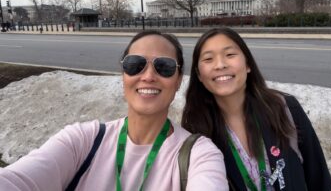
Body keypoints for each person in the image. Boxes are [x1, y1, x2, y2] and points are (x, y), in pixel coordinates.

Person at [0, 30, 228, 190]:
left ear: (178, 80)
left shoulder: (199, 155)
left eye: (164, 67)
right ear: (123, 75)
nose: (148, 76)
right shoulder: (83, 141)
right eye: (135, 65)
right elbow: (17, 181)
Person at [182, 27, 331, 191]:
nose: (220, 65)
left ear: (248, 64)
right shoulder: (195, 130)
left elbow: (319, 179)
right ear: (199, 74)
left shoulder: (284, 109)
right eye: (208, 59)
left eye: (230, 55)